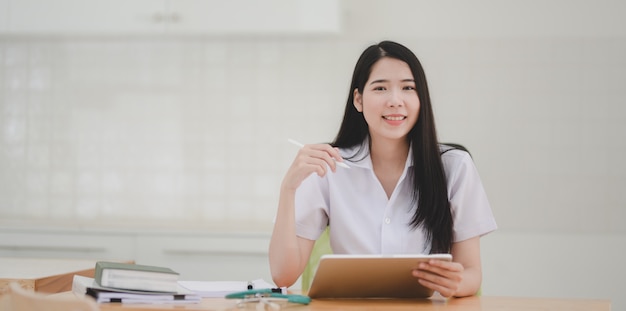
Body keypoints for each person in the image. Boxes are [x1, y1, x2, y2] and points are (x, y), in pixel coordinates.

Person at [268, 41, 497, 298]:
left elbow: (471, 272)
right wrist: (288, 189)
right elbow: (283, 275)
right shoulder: (328, 165)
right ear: (358, 100)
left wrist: (456, 283)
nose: (395, 101)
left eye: (408, 88)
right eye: (380, 88)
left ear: (421, 99)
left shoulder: (455, 167)